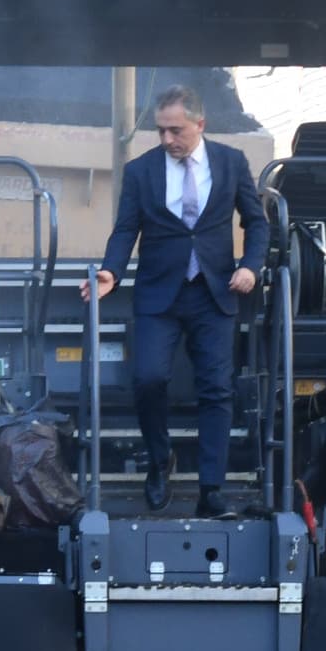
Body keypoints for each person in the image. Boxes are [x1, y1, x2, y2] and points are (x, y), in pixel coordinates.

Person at [87, 87, 262, 516]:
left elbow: (257, 223)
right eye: (160, 130)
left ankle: (211, 490)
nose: (166, 139)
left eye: (175, 130)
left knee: (217, 390)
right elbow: (126, 229)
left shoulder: (231, 162)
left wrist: (251, 266)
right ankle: (160, 460)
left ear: (200, 125)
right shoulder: (141, 171)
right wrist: (111, 270)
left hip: (213, 292)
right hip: (158, 293)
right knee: (148, 379)